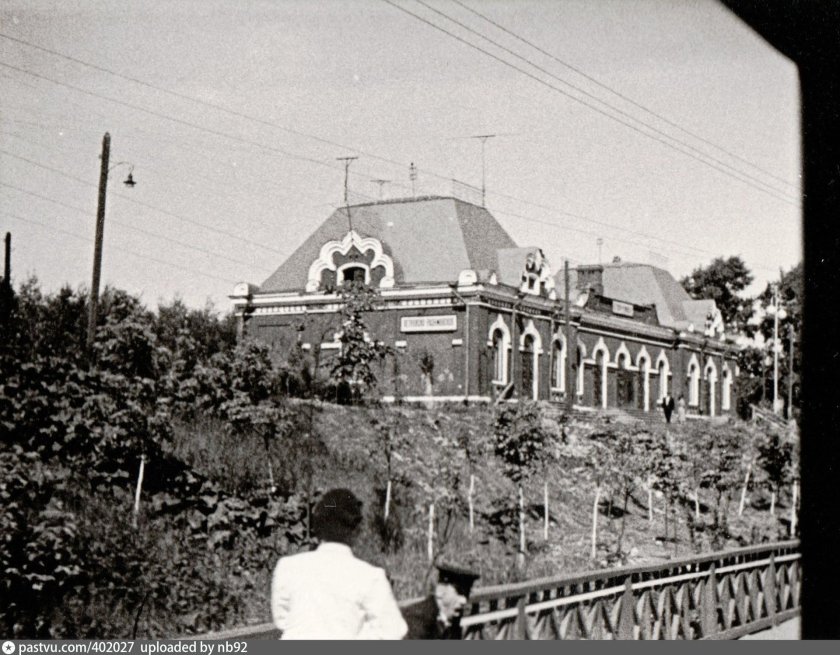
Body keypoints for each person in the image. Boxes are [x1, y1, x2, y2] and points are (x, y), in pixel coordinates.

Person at [271, 488, 407, 639]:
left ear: (317, 527)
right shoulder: (369, 577)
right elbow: (394, 630)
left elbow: (282, 620)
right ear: (356, 530)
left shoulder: (288, 568)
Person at [402, 563, 480, 639]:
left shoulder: (452, 620)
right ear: (440, 591)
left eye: (467, 593)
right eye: (459, 592)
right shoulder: (416, 620)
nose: (464, 600)